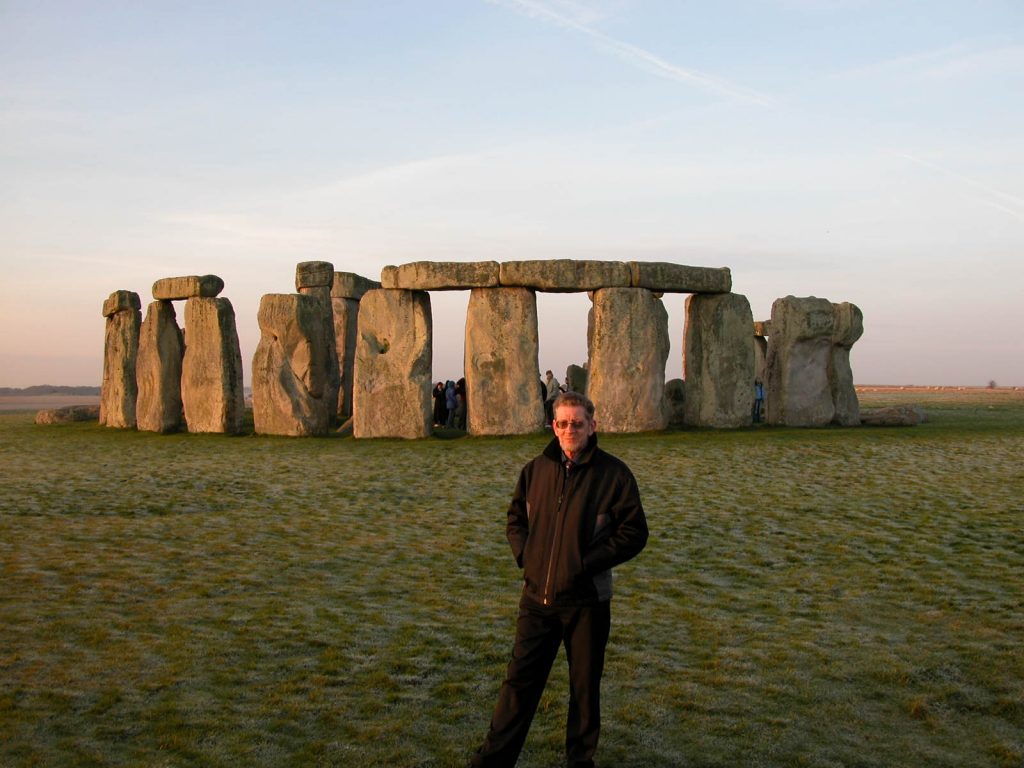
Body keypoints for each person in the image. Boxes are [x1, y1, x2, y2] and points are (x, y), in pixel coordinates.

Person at [469, 391, 649, 768]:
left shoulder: (613, 475)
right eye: (563, 423)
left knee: (584, 690)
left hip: (587, 600)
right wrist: (527, 558)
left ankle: (580, 762)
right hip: (537, 598)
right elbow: (516, 518)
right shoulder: (536, 470)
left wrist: (586, 562)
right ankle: (493, 760)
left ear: (592, 426)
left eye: (578, 423)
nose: (570, 429)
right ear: (553, 426)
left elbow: (634, 532)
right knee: (518, 684)